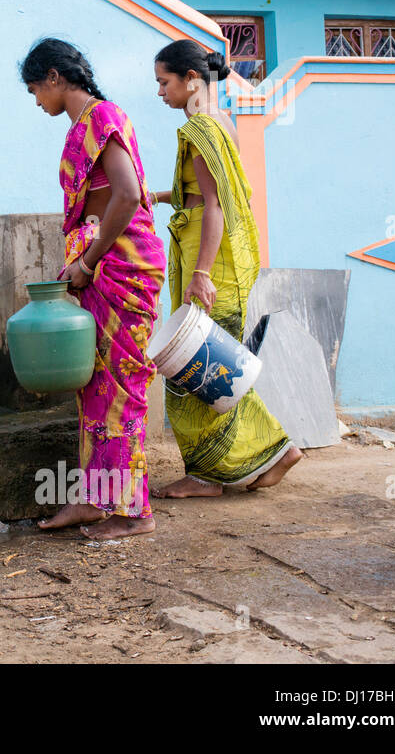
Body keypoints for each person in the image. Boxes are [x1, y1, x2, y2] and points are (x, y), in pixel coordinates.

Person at [20, 39, 167, 540]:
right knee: (96, 388)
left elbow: (125, 196)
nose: (37, 101)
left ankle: (135, 513)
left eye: (36, 89)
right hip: (99, 266)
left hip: (121, 266)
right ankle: (95, 499)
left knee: (123, 388)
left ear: (56, 78)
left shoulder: (103, 117)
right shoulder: (82, 127)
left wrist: (87, 259)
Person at [150, 40, 301, 497]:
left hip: (211, 260)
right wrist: (156, 197)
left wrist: (201, 273)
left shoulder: (199, 129)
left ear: (190, 79)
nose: (159, 92)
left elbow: (212, 205)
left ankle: (242, 462)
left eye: (164, 82)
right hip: (228, 258)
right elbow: (201, 196)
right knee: (213, 366)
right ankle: (253, 460)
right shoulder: (222, 122)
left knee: (197, 373)